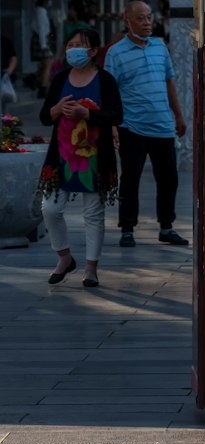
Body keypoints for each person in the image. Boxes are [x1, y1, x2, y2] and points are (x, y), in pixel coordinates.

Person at [37, 29, 123, 288]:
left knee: (93, 214)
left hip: (95, 157)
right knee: (49, 209)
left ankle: (90, 268)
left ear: (94, 51)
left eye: (80, 46)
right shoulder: (61, 78)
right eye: (70, 45)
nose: (73, 50)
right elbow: (44, 116)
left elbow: (116, 115)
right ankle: (64, 257)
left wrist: (88, 114)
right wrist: (56, 109)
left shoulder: (105, 80)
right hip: (61, 157)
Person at [105, 0, 188, 248]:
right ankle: (127, 228)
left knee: (169, 178)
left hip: (162, 124)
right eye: (140, 18)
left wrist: (179, 116)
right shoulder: (115, 53)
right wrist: (112, 126)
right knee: (131, 179)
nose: (147, 22)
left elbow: (169, 82)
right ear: (127, 22)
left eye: (149, 17)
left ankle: (166, 226)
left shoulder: (160, 47)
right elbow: (109, 92)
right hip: (132, 126)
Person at [31, 0, 54, 97]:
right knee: (48, 64)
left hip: (41, 40)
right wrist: (43, 44)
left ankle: (36, 81)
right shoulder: (41, 12)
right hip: (42, 40)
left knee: (44, 64)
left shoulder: (39, 11)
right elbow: (41, 29)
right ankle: (43, 87)